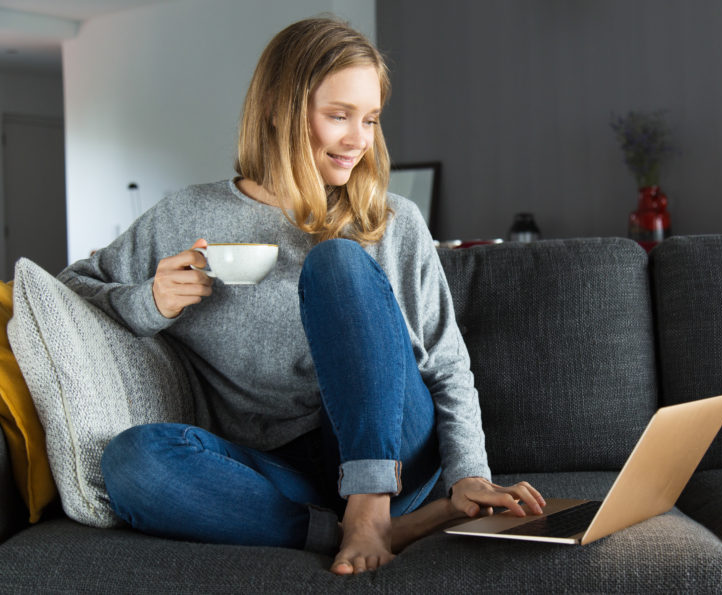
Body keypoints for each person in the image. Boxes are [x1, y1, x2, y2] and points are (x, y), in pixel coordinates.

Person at [58, 17, 545, 575]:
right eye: (338, 116)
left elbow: (447, 365)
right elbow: (73, 287)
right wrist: (151, 301)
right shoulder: (186, 217)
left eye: (369, 119)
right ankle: (354, 532)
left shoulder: (391, 222)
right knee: (131, 462)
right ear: (279, 110)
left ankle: (371, 509)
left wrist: (469, 475)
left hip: (398, 454)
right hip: (281, 472)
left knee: (337, 259)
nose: (358, 140)